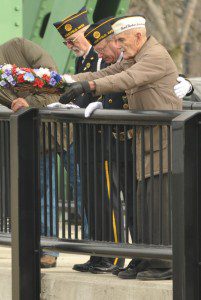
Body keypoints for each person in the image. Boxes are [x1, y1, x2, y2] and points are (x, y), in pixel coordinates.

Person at [59, 15, 183, 280]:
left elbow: (127, 79)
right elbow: (107, 73)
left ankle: (164, 265)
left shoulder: (155, 56)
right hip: (146, 140)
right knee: (143, 205)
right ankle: (145, 260)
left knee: (157, 204)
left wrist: (89, 86)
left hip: (161, 139)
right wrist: (66, 80)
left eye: (121, 40)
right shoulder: (136, 55)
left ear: (138, 36)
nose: (119, 46)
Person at [53, 7, 121, 273]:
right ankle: (97, 253)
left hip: (102, 139)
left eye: (74, 40)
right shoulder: (83, 60)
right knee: (92, 200)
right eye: (66, 43)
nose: (71, 46)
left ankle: (113, 256)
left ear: (87, 33)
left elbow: (106, 90)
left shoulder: (103, 58)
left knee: (106, 198)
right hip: (85, 140)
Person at [0, 37, 59, 268]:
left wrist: (26, 102)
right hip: (37, 137)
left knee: (86, 192)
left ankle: (103, 252)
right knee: (42, 193)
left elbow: (54, 82)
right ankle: (47, 249)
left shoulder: (18, 47)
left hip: (64, 132)